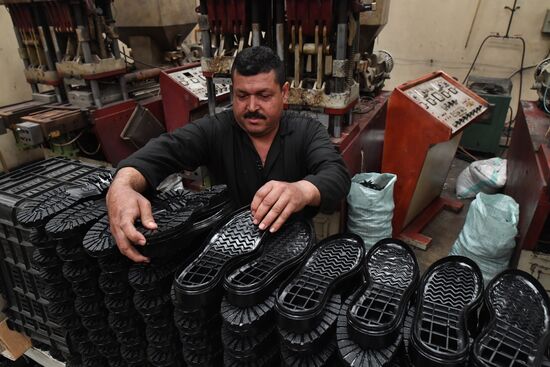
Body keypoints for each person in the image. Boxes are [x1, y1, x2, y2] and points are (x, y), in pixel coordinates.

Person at [107, 46, 351, 263]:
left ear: (284, 93)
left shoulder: (306, 130)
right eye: (242, 96)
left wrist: (302, 190)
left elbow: (337, 174)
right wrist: (122, 185)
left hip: (293, 252)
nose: (252, 106)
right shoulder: (216, 129)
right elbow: (164, 150)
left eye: (264, 96)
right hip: (230, 252)